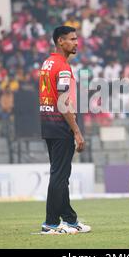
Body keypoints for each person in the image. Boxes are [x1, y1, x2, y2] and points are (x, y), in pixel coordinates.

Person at [39, 26, 90, 235]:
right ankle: (50, 224)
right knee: (59, 175)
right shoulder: (61, 66)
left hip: (48, 123)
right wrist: (76, 130)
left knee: (61, 174)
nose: (76, 43)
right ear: (60, 41)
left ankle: (69, 220)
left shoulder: (47, 63)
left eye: (76, 39)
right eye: (72, 39)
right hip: (60, 126)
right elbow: (63, 101)